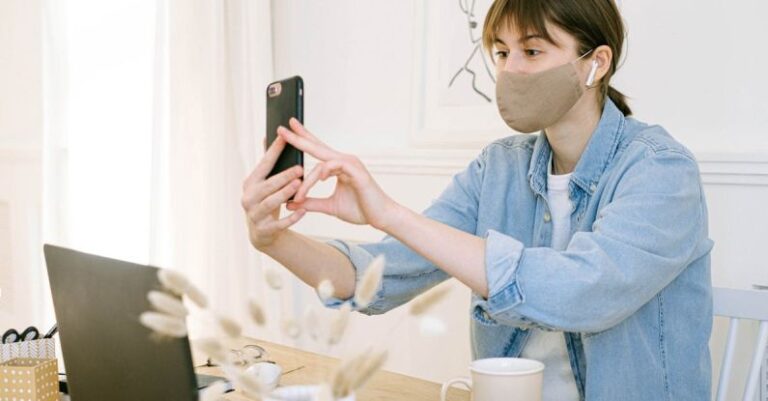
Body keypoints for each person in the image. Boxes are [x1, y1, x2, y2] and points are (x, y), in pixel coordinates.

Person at [240, 0, 714, 399]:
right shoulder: (498, 168)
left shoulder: (661, 170)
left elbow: (581, 294)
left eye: (531, 51)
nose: (510, 70)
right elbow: (381, 276)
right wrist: (272, 240)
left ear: (597, 63)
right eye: (502, 52)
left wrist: (388, 214)